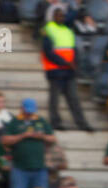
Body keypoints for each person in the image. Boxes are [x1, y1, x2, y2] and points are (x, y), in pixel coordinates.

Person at [41, 4, 91, 132]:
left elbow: (73, 50)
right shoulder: (48, 29)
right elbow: (48, 52)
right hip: (55, 70)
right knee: (55, 99)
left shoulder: (68, 31)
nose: (61, 17)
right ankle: (55, 122)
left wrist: (74, 64)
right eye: (58, 15)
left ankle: (82, 123)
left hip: (69, 71)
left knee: (74, 99)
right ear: (53, 17)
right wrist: (66, 63)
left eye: (62, 15)